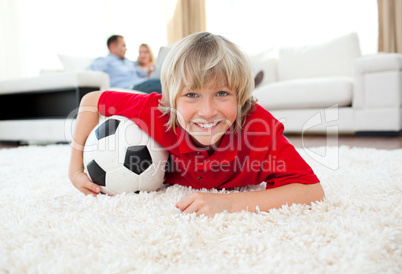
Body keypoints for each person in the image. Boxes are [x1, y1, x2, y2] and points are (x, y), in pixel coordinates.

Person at [70, 32, 324, 217]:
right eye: (192, 95)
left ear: (241, 96)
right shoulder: (155, 110)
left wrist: (229, 204)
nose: (207, 111)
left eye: (222, 93)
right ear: (171, 100)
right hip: (156, 92)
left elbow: (311, 191)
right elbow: (91, 101)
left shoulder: (259, 129)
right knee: (144, 88)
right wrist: (75, 169)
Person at [87, 35, 161, 93]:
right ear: (113, 47)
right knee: (163, 84)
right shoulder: (105, 61)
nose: (126, 48)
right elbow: (86, 73)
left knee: (165, 82)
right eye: (123, 46)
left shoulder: (127, 61)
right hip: (132, 86)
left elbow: (141, 66)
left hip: (143, 82)